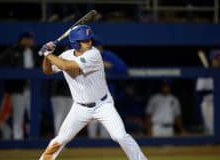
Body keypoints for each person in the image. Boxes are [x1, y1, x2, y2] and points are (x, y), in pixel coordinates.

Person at [38, 25, 147, 160]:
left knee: (120, 136)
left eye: (90, 39)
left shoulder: (93, 54)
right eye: (85, 40)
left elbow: (66, 66)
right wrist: (46, 57)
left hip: (103, 105)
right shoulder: (65, 55)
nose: (89, 42)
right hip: (80, 107)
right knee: (61, 139)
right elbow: (47, 71)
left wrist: (47, 53)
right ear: (76, 44)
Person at [0, 31, 40, 140]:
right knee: (18, 117)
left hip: (32, 88)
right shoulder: (13, 50)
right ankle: (17, 141)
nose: (32, 41)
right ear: (23, 39)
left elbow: (40, 65)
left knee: (34, 116)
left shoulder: (34, 51)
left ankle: (32, 139)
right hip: (18, 89)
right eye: (30, 39)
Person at [87, 39, 128, 138]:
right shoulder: (86, 57)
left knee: (106, 123)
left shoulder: (108, 55)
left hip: (107, 95)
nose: (96, 49)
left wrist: (109, 66)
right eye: (93, 47)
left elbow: (123, 69)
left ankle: (103, 149)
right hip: (91, 95)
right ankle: (91, 147)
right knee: (93, 122)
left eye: (98, 47)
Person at [196, 49, 220, 135]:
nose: (218, 61)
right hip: (208, 102)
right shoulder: (205, 72)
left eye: (219, 59)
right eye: (216, 59)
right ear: (211, 60)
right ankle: (211, 147)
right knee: (210, 128)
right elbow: (199, 89)